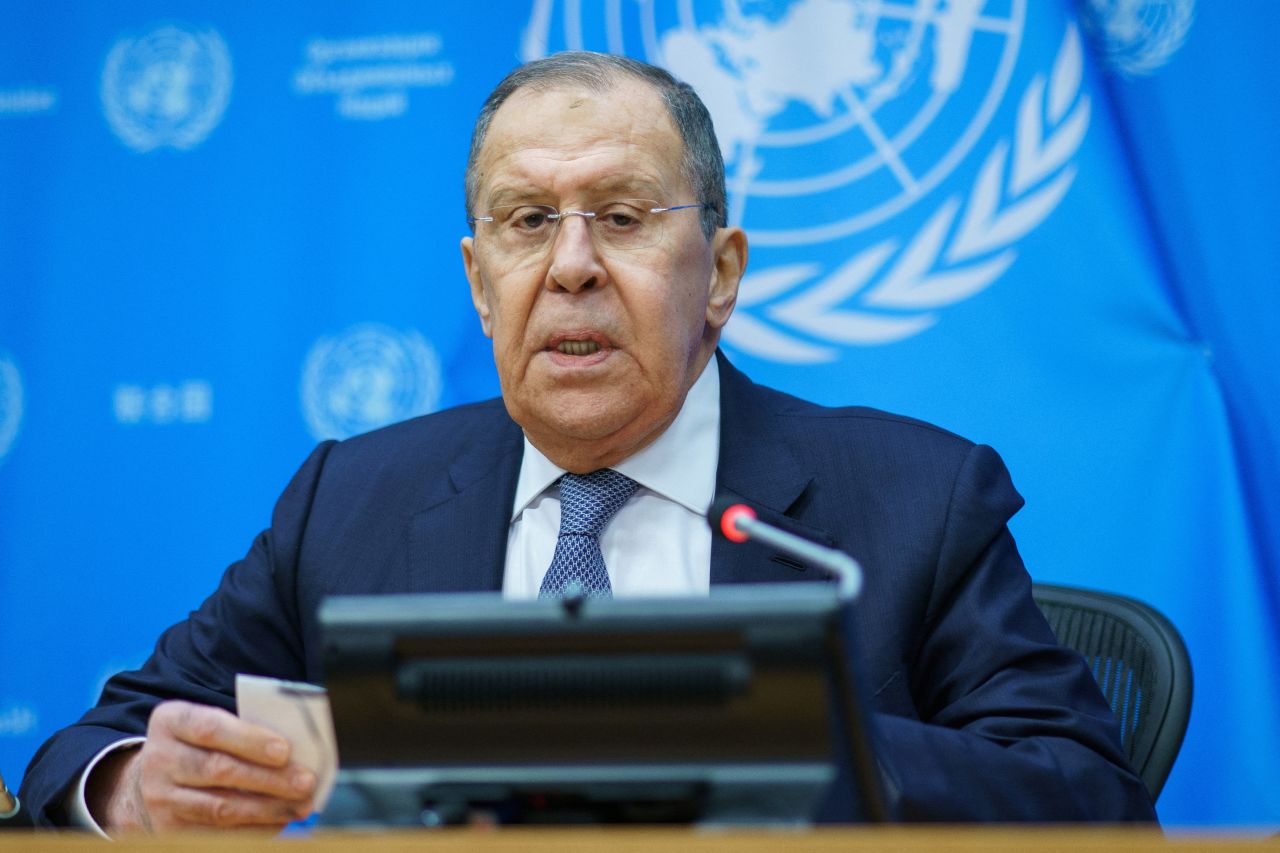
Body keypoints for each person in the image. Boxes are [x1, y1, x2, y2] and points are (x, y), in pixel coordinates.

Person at [20, 51, 1157, 832]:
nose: (569, 265)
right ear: (479, 284)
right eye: (525, 223)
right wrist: (132, 792)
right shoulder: (351, 498)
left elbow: (1093, 804)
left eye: (620, 217)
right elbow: (95, 748)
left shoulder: (914, 497)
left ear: (717, 274)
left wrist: (799, 746)